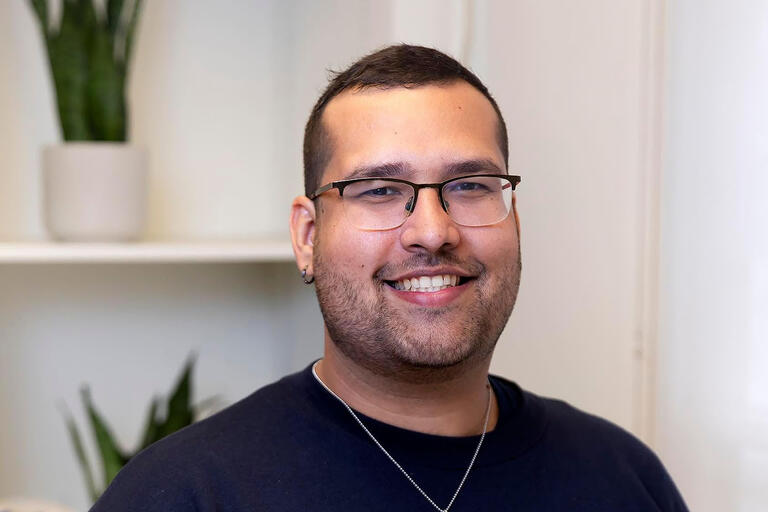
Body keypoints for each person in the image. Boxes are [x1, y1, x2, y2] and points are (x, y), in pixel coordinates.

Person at [91, 44, 688, 511]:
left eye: (471, 186)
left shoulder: (624, 478)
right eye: (378, 190)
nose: (433, 231)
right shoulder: (184, 494)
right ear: (307, 236)